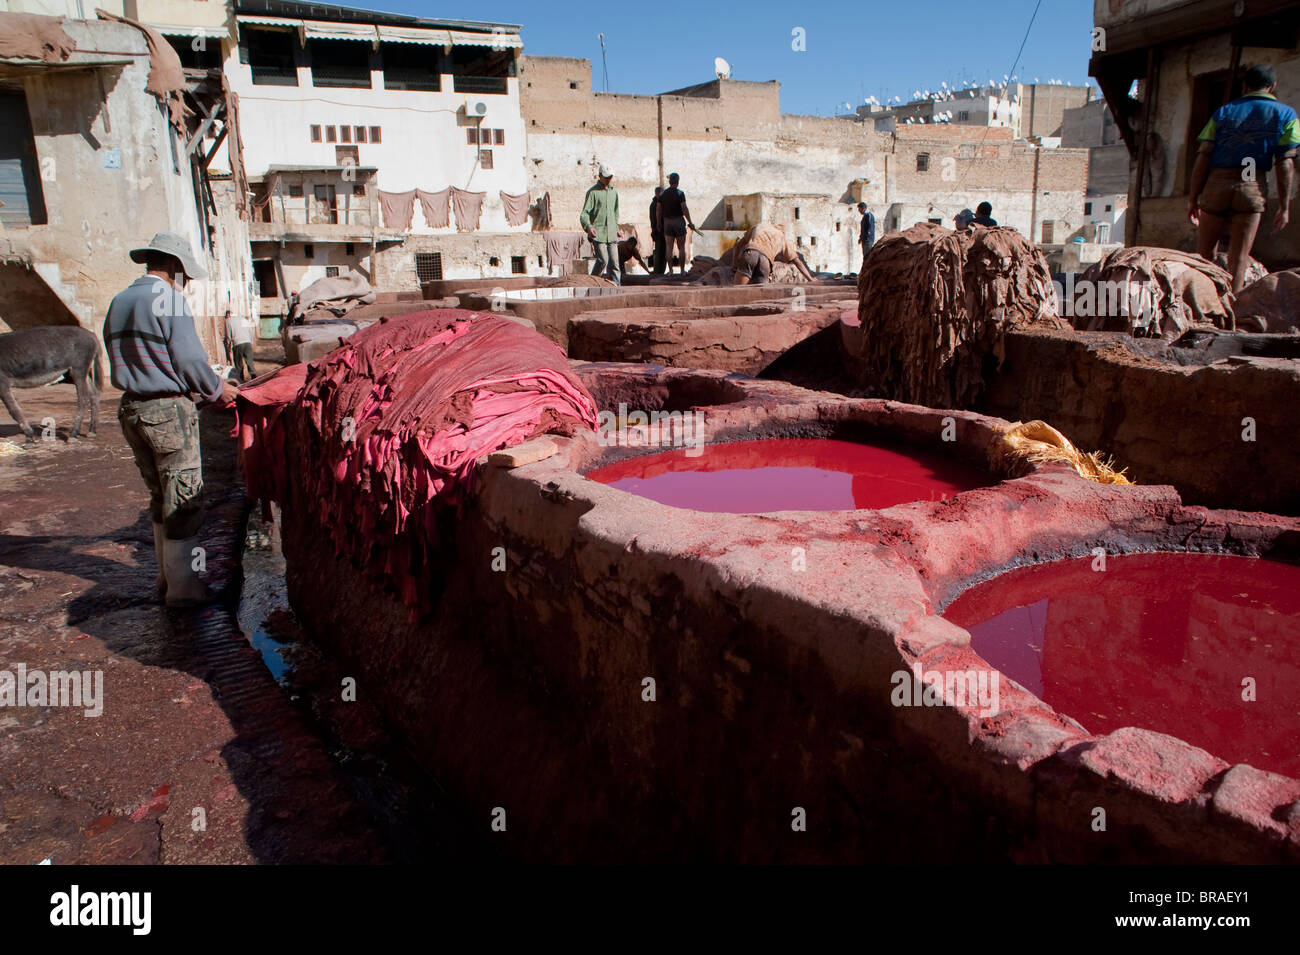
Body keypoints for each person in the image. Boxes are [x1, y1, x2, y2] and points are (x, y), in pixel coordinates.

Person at [103, 232, 236, 608]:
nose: (187, 282)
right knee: (184, 498)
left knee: (160, 495)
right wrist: (216, 390)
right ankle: (186, 590)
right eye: (186, 275)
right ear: (176, 267)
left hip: (131, 408)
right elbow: (189, 360)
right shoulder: (169, 300)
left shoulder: (120, 300)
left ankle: (166, 579)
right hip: (166, 409)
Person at [1190, 63, 1299, 293]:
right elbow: (1285, 162)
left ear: (1245, 85)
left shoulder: (1223, 112)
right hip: (1251, 185)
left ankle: (1202, 300)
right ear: (1272, 87)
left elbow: (1203, 158)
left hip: (1217, 183)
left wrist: (1193, 198)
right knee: (1238, 258)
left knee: (1204, 255)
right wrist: (1284, 205)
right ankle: (1230, 308)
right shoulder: (1286, 114)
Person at [730, 222, 815, 285]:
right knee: (758, 293)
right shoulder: (782, 237)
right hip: (766, 261)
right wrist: (810, 279)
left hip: (751, 253)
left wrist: (734, 265)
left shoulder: (759, 226)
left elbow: (738, 246)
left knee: (739, 290)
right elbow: (797, 261)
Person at [580, 163, 621, 285]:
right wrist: (589, 227)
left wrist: (617, 227)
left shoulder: (614, 192)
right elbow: (584, 214)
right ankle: (592, 283)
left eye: (610, 177)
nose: (609, 179)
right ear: (600, 176)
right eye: (606, 177)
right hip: (598, 233)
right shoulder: (592, 193)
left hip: (612, 233)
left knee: (615, 263)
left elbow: (615, 212)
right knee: (603, 260)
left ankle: (616, 287)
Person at [657, 172, 697, 275]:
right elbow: (684, 208)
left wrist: (658, 222)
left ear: (670, 182)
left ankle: (670, 271)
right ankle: (682, 271)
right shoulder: (680, 194)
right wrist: (690, 222)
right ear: (677, 182)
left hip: (667, 222)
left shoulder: (662, 194)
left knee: (669, 247)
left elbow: (658, 209)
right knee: (681, 247)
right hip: (678, 221)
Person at [223, 308, 257, 383]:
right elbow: (250, 331)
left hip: (237, 343)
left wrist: (228, 345)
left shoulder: (228, 321)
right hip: (247, 342)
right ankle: (254, 377)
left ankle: (241, 379)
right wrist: (250, 341)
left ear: (228, 315)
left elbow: (228, 335)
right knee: (249, 361)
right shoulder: (243, 319)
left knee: (238, 363)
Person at [649, 186, 667, 274]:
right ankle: (658, 271)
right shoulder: (654, 204)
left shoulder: (660, 203)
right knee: (659, 252)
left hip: (664, 231)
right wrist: (655, 230)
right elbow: (653, 219)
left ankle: (661, 271)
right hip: (659, 231)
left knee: (664, 252)